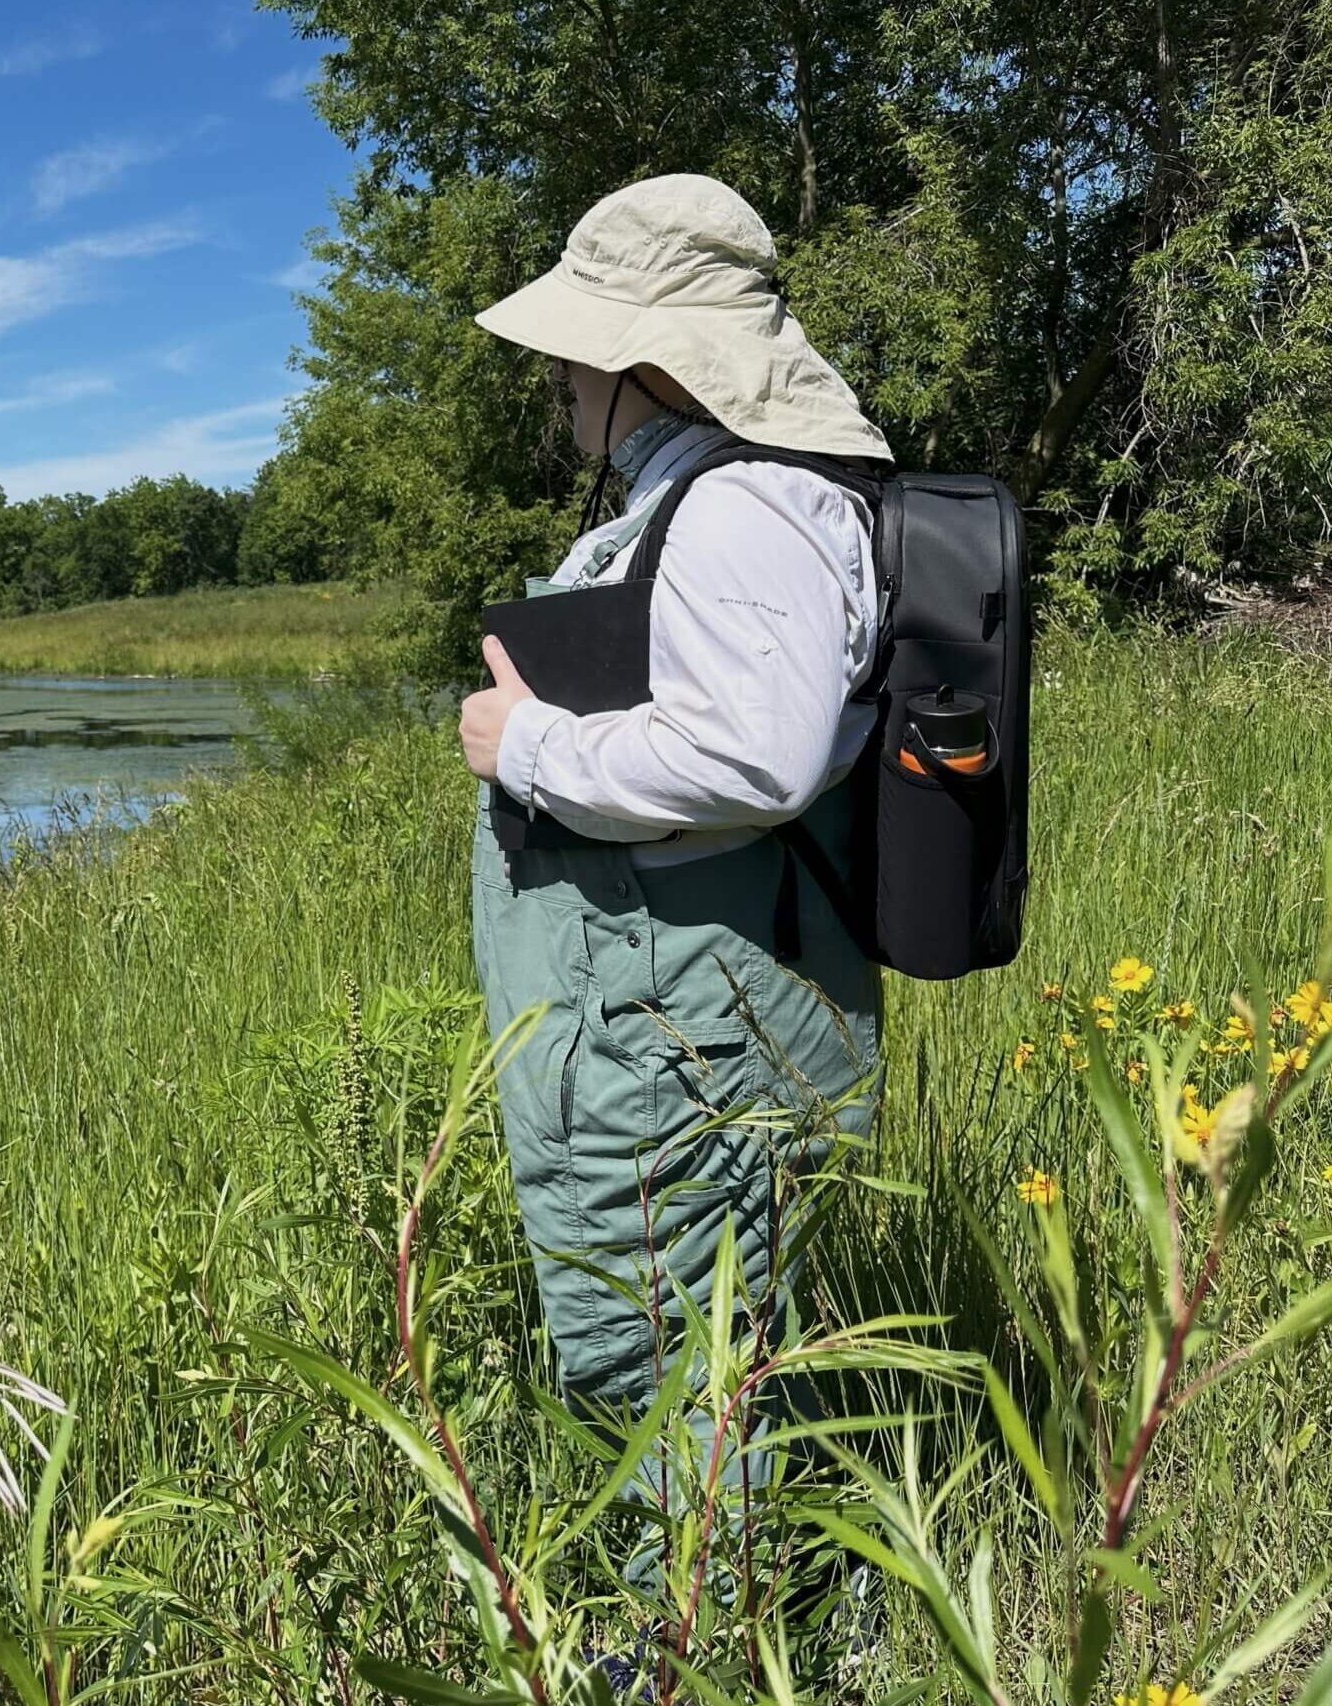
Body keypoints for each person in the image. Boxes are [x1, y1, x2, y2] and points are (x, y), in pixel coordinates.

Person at [459, 175, 891, 1455]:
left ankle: (686, 1646)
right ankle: (740, 1626)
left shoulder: (745, 507)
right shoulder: (712, 498)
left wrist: (521, 742)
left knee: (660, 1356)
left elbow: (754, 757)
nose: (562, 381)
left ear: (649, 363)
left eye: (578, 356)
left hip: (676, 1024)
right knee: (696, 1335)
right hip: (662, 1000)